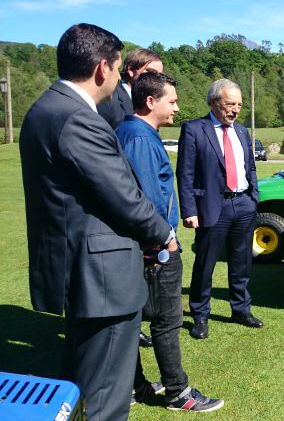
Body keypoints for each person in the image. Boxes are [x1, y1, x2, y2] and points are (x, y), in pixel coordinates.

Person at [19, 23, 174, 421]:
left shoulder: (45, 109)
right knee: (105, 400)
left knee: (78, 391)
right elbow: (122, 195)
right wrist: (164, 234)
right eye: (120, 67)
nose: (122, 77)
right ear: (103, 68)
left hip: (80, 269)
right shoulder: (77, 118)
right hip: (101, 277)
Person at [116, 72, 223, 412]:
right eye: (172, 101)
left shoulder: (137, 133)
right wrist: (164, 242)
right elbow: (145, 200)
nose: (177, 107)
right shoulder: (139, 138)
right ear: (151, 101)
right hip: (156, 249)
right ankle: (178, 393)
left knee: (139, 319)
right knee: (166, 320)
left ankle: (136, 386)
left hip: (151, 246)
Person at [177, 79, 262, 339]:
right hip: (213, 207)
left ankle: (241, 309)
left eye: (239, 104)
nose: (235, 110)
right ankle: (200, 314)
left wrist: (253, 198)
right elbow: (185, 173)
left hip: (243, 205)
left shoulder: (242, 131)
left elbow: (251, 168)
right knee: (205, 264)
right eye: (230, 104)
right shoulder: (194, 129)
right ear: (214, 102)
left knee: (241, 262)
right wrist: (189, 210)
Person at [97, 47, 163, 349]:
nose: (156, 79)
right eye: (152, 73)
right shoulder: (112, 103)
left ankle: (133, 326)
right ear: (132, 71)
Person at [97, 48, 163, 130]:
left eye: (159, 75)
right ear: (131, 70)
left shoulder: (151, 103)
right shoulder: (108, 100)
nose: (155, 78)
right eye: (150, 72)